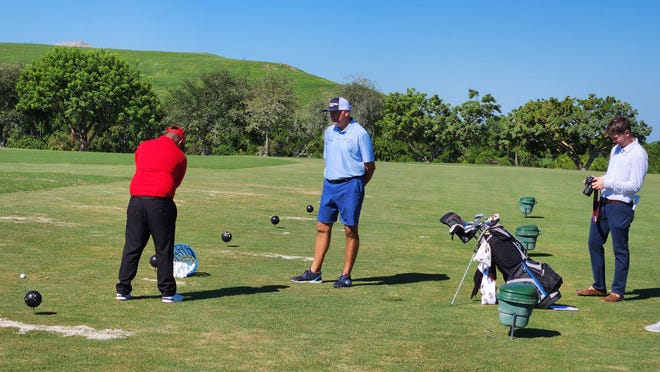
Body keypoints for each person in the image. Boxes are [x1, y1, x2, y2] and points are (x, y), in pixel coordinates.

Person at [290, 97, 375, 288]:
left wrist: (357, 187)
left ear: (347, 112)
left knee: (350, 230)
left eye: (336, 112)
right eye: (330, 112)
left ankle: (345, 275)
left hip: (351, 185)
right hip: (329, 184)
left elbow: (369, 166)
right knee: (322, 226)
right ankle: (314, 272)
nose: (332, 116)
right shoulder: (329, 132)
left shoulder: (359, 133)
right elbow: (329, 158)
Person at [576, 116, 648, 302]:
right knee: (593, 242)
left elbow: (635, 185)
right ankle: (599, 286)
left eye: (616, 137)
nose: (613, 140)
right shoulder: (615, 149)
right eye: (612, 137)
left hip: (622, 207)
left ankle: (618, 291)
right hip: (605, 204)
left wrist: (607, 182)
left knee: (620, 249)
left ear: (627, 132)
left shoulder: (638, 154)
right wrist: (597, 179)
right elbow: (613, 175)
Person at [115, 125, 188, 303]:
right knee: (163, 248)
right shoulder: (180, 155)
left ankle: (123, 290)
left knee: (132, 246)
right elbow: (176, 181)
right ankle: (168, 293)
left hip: (136, 201)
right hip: (161, 203)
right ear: (180, 141)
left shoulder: (143, 146)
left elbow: (140, 164)